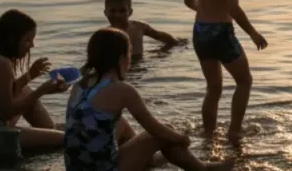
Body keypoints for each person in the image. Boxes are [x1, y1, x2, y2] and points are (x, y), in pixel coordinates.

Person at [64, 27, 232, 171]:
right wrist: (182, 139)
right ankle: (201, 169)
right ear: (122, 58)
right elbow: (156, 129)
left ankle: (147, 161)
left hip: (75, 167)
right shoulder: (122, 89)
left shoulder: (80, 84)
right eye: (129, 54)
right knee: (165, 132)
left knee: (120, 122)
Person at [183, 0, 268, 142]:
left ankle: (209, 135)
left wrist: (205, 9)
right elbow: (233, 7)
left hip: (200, 31)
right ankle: (234, 131)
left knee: (213, 87)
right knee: (244, 81)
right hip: (221, 32)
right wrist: (253, 33)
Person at [0, 9, 69, 158]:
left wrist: (30, 75)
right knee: (66, 140)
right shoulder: (1, 63)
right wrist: (41, 91)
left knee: (24, 90)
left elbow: (5, 93)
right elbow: (6, 112)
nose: (32, 45)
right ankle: (55, 135)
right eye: (27, 40)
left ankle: (50, 130)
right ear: (12, 38)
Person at [104, 0, 183, 59]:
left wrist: (176, 42)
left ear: (130, 12)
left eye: (122, 11)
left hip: (140, 63)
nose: (118, 15)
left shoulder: (139, 27)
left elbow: (159, 35)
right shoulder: (105, 35)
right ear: (105, 13)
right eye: (112, 11)